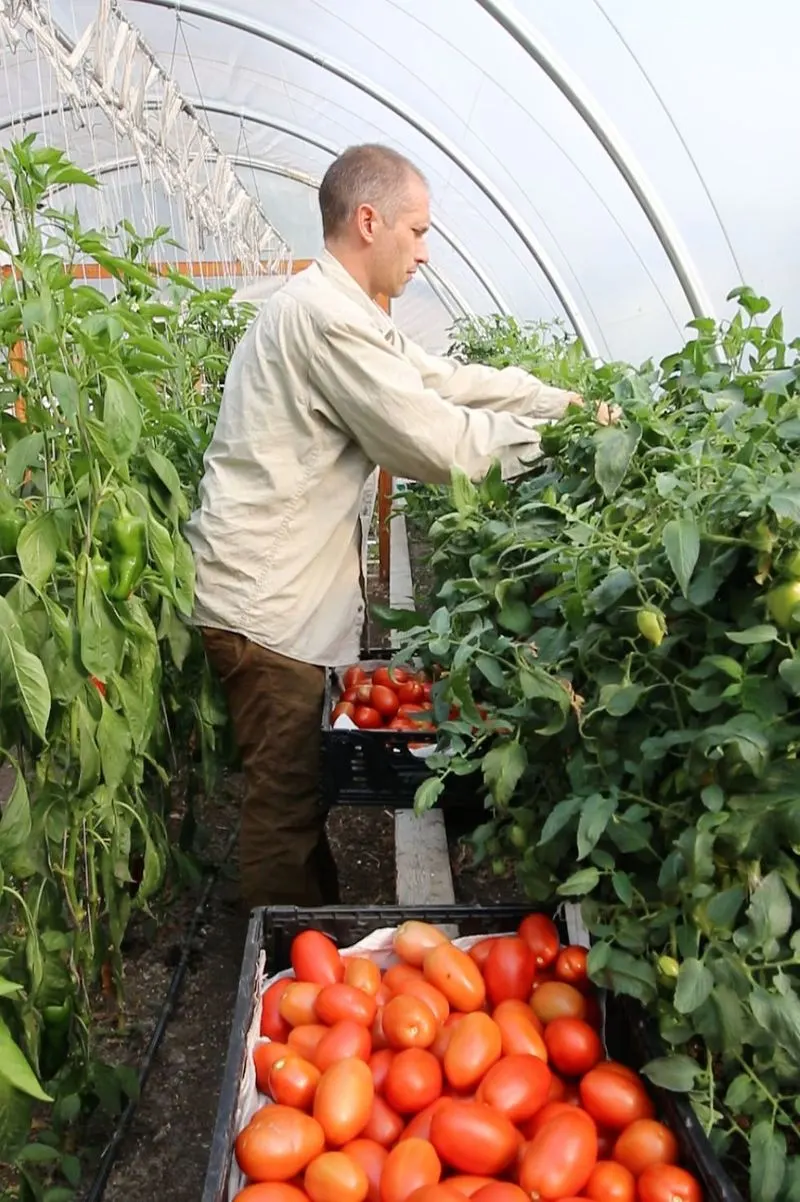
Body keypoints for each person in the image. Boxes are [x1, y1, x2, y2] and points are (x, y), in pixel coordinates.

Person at [184, 143, 610, 913]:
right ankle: (283, 961)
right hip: (265, 609)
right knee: (285, 801)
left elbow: (439, 379)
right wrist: (568, 447)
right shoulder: (321, 320)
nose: (424, 250)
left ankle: (310, 945)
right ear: (368, 220)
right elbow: (434, 442)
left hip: (280, 598)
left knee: (299, 790)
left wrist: (557, 404)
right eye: (416, 231)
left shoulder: (345, 314)